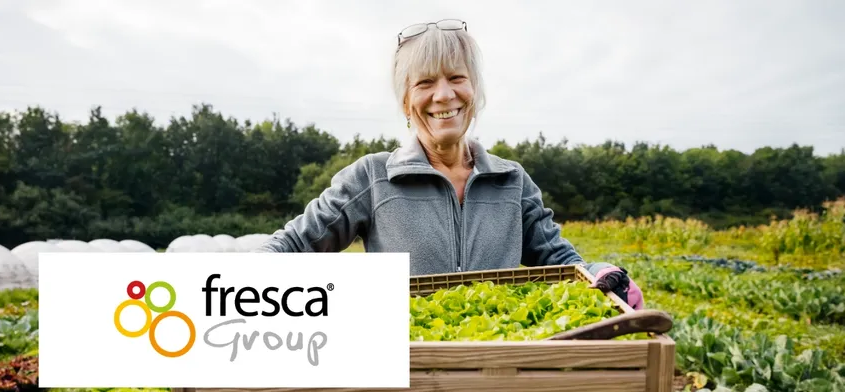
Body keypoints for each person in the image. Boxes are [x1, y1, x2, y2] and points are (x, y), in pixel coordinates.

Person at [256, 19, 643, 310]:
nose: (444, 95)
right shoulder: (373, 178)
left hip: (499, 366)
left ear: (474, 91)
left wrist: (600, 272)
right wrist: (235, 284)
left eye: (457, 78)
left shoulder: (511, 181)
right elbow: (293, 244)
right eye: (424, 83)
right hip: (408, 373)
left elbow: (560, 260)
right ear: (406, 102)